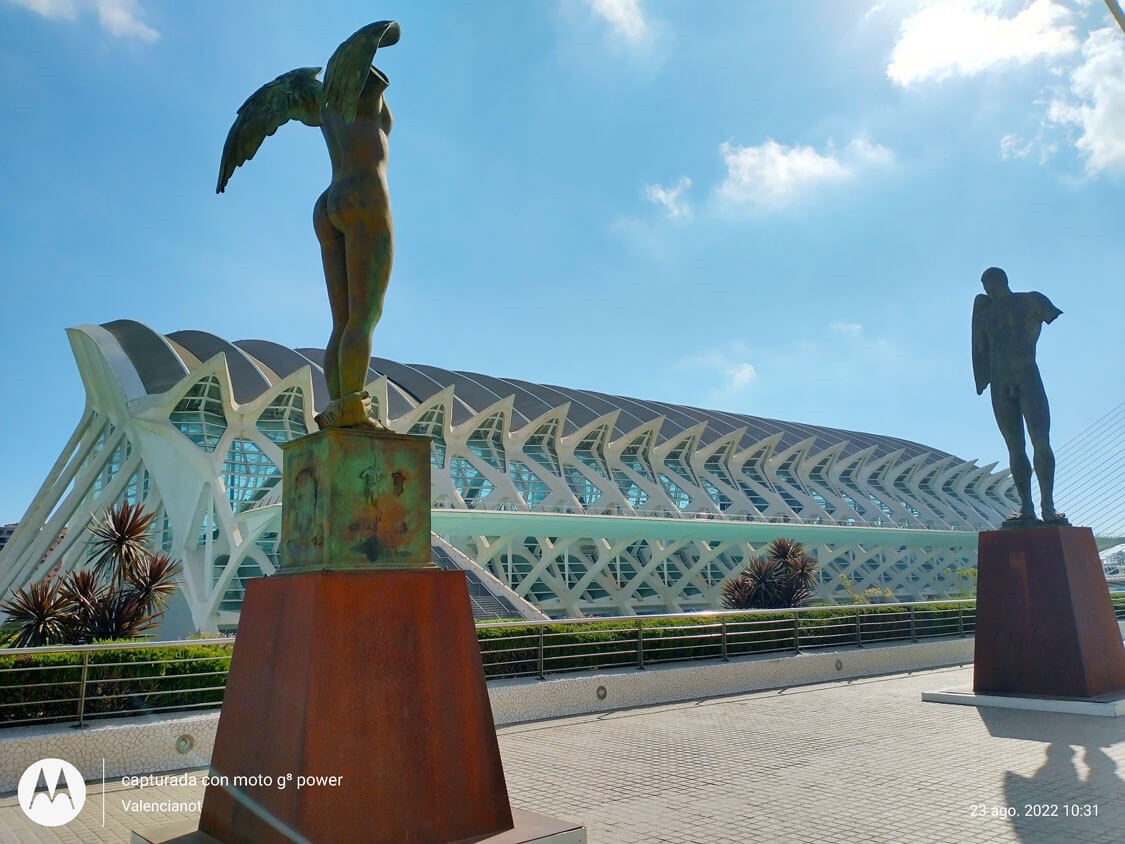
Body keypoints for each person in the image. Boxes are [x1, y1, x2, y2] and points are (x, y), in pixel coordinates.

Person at [217, 20, 400, 429]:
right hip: (365, 196)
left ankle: (340, 404)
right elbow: (387, 34)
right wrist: (385, 35)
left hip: (329, 201)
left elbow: (280, 98)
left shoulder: (323, 106)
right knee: (364, 318)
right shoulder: (363, 93)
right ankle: (353, 406)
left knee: (341, 320)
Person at [971, 267, 1067, 525]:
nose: (991, 291)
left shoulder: (1032, 301)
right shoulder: (984, 317)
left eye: (995, 286)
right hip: (999, 382)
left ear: (1005, 281)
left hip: (1027, 376)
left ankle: (1048, 504)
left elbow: (1050, 316)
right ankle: (1026, 505)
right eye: (987, 288)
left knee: (1041, 442)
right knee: (1015, 448)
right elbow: (980, 351)